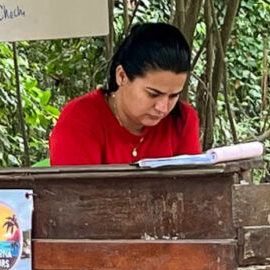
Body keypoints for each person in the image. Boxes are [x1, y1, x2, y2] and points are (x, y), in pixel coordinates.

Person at [49, 22, 201, 165]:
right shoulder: (80, 120)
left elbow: (191, 188)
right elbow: (74, 191)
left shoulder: (183, 119)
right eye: (153, 94)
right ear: (121, 76)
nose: (163, 108)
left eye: (173, 96)